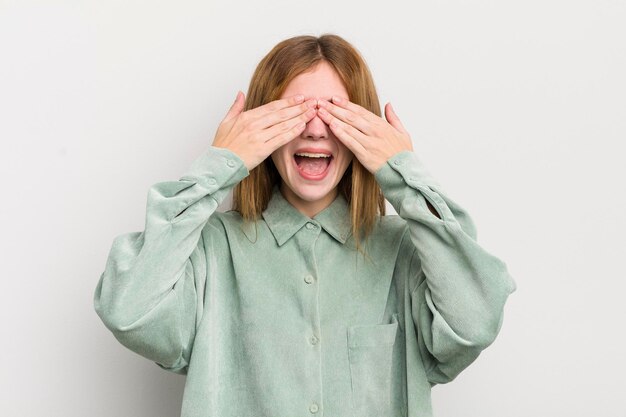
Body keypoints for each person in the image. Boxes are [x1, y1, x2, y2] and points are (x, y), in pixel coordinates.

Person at [94, 33, 517, 417]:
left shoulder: (405, 252)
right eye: (294, 112)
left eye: (336, 112)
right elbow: (129, 310)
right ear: (262, 127)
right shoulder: (210, 251)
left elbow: (474, 322)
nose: (315, 128)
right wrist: (220, 165)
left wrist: (402, 173)